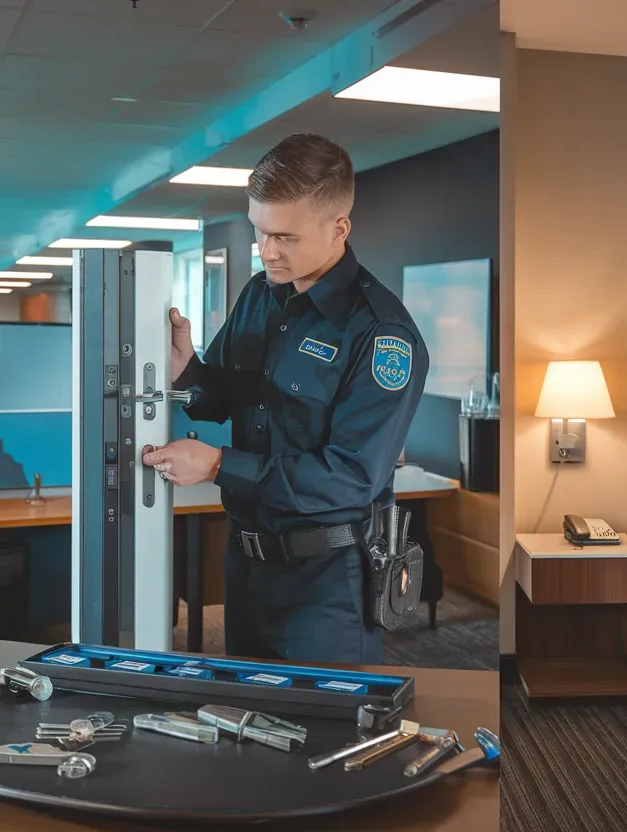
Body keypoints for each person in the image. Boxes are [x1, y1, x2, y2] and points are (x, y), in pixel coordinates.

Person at [141, 133, 429, 664]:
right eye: (259, 231)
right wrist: (186, 369)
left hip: (325, 582)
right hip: (246, 569)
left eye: (285, 237)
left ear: (338, 228)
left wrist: (221, 465)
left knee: (323, 738)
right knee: (246, 729)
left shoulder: (382, 335)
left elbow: (349, 479)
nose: (267, 250)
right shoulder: (260, 294)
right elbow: (223, 396)